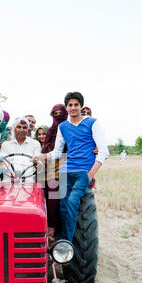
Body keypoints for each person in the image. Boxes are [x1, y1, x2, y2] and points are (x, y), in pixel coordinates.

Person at [34, 91, 109, 245]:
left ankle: (65, 244)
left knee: (73, 202)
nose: (73, 107)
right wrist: (43, 156)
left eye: (76, 104)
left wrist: (89, 175)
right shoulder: (63, 127)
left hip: (83, 172)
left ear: (81, 106)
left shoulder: (92, 123)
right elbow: (57, 152)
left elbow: (104, 151)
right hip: (65, 171)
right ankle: (58, 236)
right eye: (70, 105)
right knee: (61, 206)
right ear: (67, 107)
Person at [41, 105, 68, 242]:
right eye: (55, 113)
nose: (58, 116)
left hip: (63, 167)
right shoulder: (50, 131)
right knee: (44, 196)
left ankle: (56, 227)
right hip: (47, 167)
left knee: (56, 199)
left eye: (60, 113)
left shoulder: (68, 129)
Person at [0, 117, 41, 183]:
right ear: (14, 129)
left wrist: (37, 163)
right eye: (19, 127)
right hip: (8, 180)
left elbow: (38, 161)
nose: (21, 130)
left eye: (24, 127)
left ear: (28, 129)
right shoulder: (6, 145)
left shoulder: (35, 144)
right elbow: (3, 163)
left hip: (29, 180)